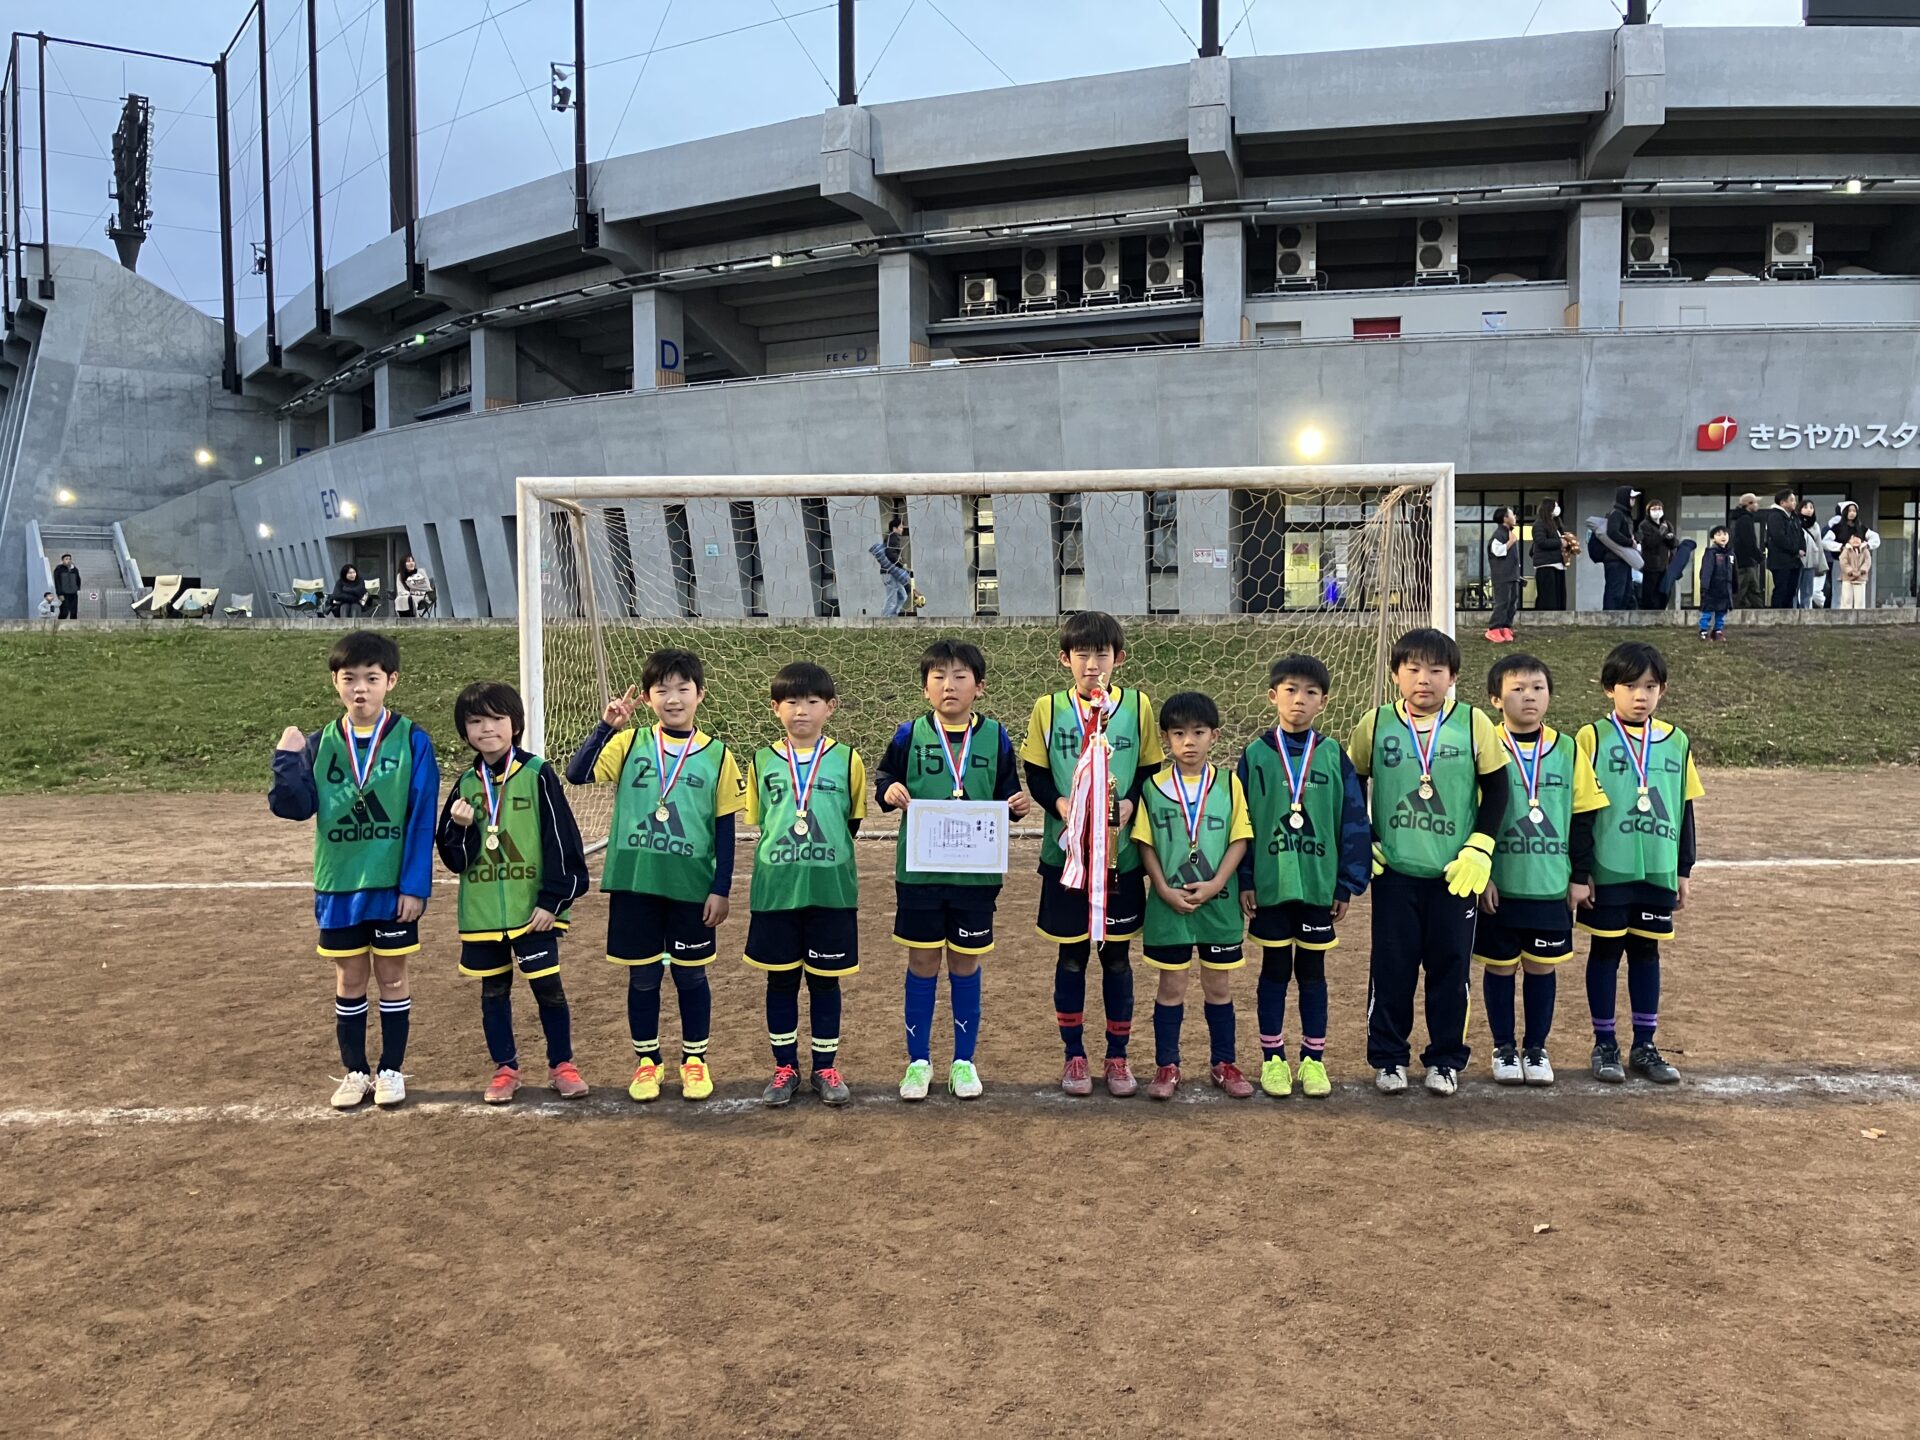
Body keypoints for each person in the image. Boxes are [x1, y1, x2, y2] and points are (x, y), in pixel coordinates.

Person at [269, 631, 439, 1109]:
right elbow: (294, 807)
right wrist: (287, 758)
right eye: (350, 679)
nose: (360, 688)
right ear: (336, 683)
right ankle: (355, 1072)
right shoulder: (319, 742)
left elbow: (421, 815)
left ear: (391, 681)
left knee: (393, 978)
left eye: (371, 678)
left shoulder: (413, 740)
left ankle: (391, 1070)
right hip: (339, 884)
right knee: (349, 980)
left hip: (391, 886)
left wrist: (414, 886)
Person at [567, 648, 745, 1103]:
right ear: (647, 698)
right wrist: (607, 726)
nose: (673, 698)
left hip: (690, 885)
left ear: (700, 694)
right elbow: (577, 774)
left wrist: (721, 887)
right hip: (636, 881)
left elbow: (725, 828)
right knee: (643, 978)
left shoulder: (718, 755)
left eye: (683, 689)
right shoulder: (630, 744)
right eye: (662, 690)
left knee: (691, 977)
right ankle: (648, 1062)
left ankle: (695, 1060)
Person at [1347, 628, 1509, 1097]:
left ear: (1452, 677)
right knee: (1391, 970)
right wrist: (1364, 836)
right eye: (1413, 669)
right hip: (1395, 873)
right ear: (1396, 674)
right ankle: (1389, 1058)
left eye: (1436, 670)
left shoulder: (1474, 723)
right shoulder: (1375, 724)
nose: (1424, 679)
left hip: (1455, 875)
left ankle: (1445, 1059)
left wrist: (1480, 846)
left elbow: (1498, 789)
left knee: (1451, 971)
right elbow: (1352, 782)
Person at [875, 638, 1030, 1101]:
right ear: (925, 687)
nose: (949, 685)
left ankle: (964, 1061)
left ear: (979, 687)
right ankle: (918, 1062)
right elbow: (884, 778)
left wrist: (1017, 805)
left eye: (960, 676)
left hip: (975, 876)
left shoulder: (996, 736)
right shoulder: (908, 734)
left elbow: (1007, 792)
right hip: (920, 874)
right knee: (922, 962)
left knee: (965, 962)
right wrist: (889, 790)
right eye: (939, 677)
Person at [1021, 611, 1165, 1098]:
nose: (1092, 663)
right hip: (1065, 857)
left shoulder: (1138, 706)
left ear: (1118, 658)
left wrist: (1131, 803)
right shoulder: (1048, 708)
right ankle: (1074, 1055)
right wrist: (1061, 805)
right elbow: (1036, 772)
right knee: (1071, 956)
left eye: (1101, 653)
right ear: (1065, 659)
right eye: (1081, 654)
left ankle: (1118, 1056)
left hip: (1119, 859)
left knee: (1118, 958)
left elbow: (1148, 768)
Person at [437, 681, 591, 1104]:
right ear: (464, 730)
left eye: (496, 718)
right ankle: (505, 1068)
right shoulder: (466, 784)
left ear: (515, 724)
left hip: (532, 912)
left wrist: (552, 901)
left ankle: (562, 1065)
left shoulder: (538, 773)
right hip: (483, 914)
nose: (487, 728)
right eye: (475, 721)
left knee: (548, 989)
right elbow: (455, 859)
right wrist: (460, 828)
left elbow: (562, 840)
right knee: (493, 993)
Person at [1236, 654, 1371, 1099]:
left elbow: (1354, 819)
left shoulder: (1333, 756)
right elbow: (1241, 822)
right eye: (1291, 690)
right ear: (1272, 696)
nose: (1300, 700)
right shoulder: (1254, 755)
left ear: (1323, 702)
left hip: (1318, 886)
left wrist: (1347, 882)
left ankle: (1314, 1059)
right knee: (1274, 969)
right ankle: (1273, 1058)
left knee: (1313, 971)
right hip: (1271, 886)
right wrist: (1245, 878)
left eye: (1311, 692)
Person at [1575, 642, 1704, 1085]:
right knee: (1606, 951)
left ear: (1662, 690)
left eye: (1650, 686)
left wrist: (1684, 869)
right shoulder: (1591, 738)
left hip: (1658, 869)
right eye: (1630, 686)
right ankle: (1605, 1044)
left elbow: (1684, 807)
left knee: (1647, 951)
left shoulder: (1676, 740)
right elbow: (1580, 810)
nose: (1640, 696)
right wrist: (1582, 869)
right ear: (1609, 689)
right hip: (1608, 869)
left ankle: (1644, 1045)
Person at [1477, 655, 1607, 1087]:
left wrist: (1579, 875)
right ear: (1496, 699)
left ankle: (1536, 1048)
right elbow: (1470, 813)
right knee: (1500, 968)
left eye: (1537, 688)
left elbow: (1583, 815)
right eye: (1516, 689)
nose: (1528, 696)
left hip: (1550, 885)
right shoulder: (1485, 744)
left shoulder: (1567, 749)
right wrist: (1483, 874)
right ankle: (1503, 1047)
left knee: (1541, 967)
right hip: (1501, 885)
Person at [743, 661, 866, 1107]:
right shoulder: (761, 761)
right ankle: (785, 1067)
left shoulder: (848, 759)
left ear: (830, 707)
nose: (802, 710)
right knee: (780, 981)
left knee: (825, 983)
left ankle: (825, 1067)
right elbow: (761, 821)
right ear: (775, 708)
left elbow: (850, 822)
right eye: (791, 701)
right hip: (777, 890)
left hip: (830, 890)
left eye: (813, 701)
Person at [1133, 692, 1254, 1101]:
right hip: (1169, 906)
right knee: (1172, 986)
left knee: (1218, 986)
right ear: (1165, 738)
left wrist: (1218, 883)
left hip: (1217, 904)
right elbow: (1145, 843)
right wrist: (1162, 888)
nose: (1189, 742)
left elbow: (1240, 837)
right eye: (1179, 733)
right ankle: (1167, 1065)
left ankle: (1224, 1062)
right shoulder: (1152, 788)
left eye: (1198, 732)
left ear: (1214, 736)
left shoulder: (1229, 783)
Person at [1484, 505, 1521, 644]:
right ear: (1505, 518)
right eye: (1512, 514)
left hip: (1512, 574)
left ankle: (1505, 626)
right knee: (1502, 602)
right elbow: (1497, 551)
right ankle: (1494, 628)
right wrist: (1511, 542)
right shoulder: (1499, 534)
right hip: (1502, 575)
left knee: (1512, 602)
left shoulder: (1508, 532)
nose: (1514, 517)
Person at [1762, 488, 1801, 610]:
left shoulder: (1794, 517)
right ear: (1783, 502)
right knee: (1781, 588)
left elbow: (1801, 534)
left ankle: (1788, 613)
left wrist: (1802, 548)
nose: (1794, 503)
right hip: (1780, 561)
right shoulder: (1775, 516)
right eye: (1791, 500)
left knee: (1791, 589)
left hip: (1794, 560)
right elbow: (1779, 538)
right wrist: (1795, 549)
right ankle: (1776, 613)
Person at [1636, 498, 1677, 612]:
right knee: (1650, 592)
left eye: (1659, 508)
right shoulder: (1644, 525)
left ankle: (1662, 610)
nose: (1657, 511)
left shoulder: (1667, 524)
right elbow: (1648, 543)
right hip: (1651, 565)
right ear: (1648, 511)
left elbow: (1674, 544)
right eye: (1654, 509)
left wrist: (1670, 538)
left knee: (1664, 592)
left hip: (1665, 565)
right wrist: (1660, 533)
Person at [1602, 485, 1638, 611]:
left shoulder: (1625, 515)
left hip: (1624, 559)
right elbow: (1613, 532)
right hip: (1615, 559)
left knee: (1626, 593)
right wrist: (1629, 542)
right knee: (1615, 593)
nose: (1633, 501)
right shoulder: (1617, 514)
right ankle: (1609, 618)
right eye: (1631, 498)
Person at [1697, 524, 1735, 641]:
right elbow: (1706, 571)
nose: (1723, 537)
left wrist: (1734, 588)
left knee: (1721, 612)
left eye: (1725, 534)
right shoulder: (1711, 553)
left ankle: (1718, 631)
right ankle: (1703, 631)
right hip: (1712, 588)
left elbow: (1734, 572)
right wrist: (1704, 587)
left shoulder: (1731, 554)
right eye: (1719, 535)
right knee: (1707, 612)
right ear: (1713, 538)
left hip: (1725, 588)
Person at [1530, 499, 1569, 612]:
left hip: (1558, 564)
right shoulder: (1539, 524)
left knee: (1559, 596)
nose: (1557, 508)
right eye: (1555, 506)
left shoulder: (1555, 524)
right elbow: (1541, 542)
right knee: (1548, 597)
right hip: (1546, 564)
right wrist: (1559, 542)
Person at [870, 516, 912, 618]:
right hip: (890, 573)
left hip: (893, 573)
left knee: (903, 596)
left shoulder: (891, 538)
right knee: (891, 597)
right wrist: (902, 564)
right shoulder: (892, 538)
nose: (902, 529)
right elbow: (891, 555)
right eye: (900, 527)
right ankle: (886, 619)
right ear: (894, 528)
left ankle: (892, 616)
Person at [1729, 493, 1766, 609]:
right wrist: (1760, 557)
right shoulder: (1745, 520)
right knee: (1741, 590)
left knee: (1752, 590)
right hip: (1744, 562)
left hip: (1744, 561)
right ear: (1749, 504)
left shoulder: (1739, 519)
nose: (1757, 505)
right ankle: (1730, 613)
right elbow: (1748, 542)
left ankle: (1760, 612)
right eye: (1755, 502)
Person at [1795, 499, 1828, 609]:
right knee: (1795, 589)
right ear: (1800, 509)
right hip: (1797, 561)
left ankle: (1806, 611)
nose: (1809, 510)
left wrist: (1819, 563)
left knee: (1808, 590)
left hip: (1811, 562)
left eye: (1811, 507)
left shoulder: (1815, 525)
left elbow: (1819, 545)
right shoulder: (1795, 523)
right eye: (1805, 507)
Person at [1836, 528, 1873, 611]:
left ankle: (1860, 615)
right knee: (1846, 599)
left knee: (1860, 601)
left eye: (1858, 538)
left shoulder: (1865, 550)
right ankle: (1845, 615)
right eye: (1853, 538)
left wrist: (1862, 571)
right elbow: (1843, 562)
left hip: (1861, 578)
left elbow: (1867, 561)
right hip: (1847, 578)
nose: (1855, 540)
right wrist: (1850, 571)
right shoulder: (1846, 550)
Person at [393, 554, 433, 619]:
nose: (411, 563)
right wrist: (407, 593)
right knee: (398, 600)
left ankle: (414, 618)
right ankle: (403, 619)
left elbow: (427, 587)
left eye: (413, 561)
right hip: (408, 595)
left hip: (423, 595)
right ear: (403, 564)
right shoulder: (400, 576)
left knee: (410, 599)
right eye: (408, 561)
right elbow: (400, 590)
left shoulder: (420, 572)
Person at [52, 553, 80, 619]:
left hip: (73, 593)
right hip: (64, 594)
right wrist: (59, 594)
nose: (68, 560)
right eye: (66, 559)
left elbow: (78, 579)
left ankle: (73, 624)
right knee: (64, 612)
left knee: (74, 612)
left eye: (69, 559)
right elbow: (57, 582)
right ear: (63, 560)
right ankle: (59, 624)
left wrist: (77, 588)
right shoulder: (59, 569)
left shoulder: (75, 570)